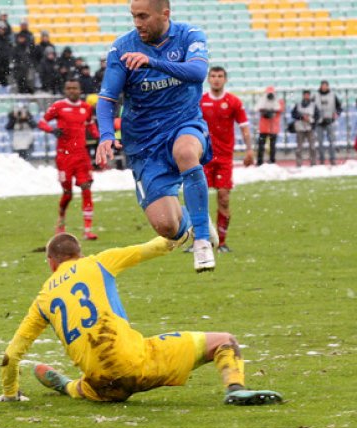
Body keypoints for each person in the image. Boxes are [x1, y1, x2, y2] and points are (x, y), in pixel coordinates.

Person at [0, 232, 284, 406]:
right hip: (136, 363)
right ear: (78, 253)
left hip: (100, 385)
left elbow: (11, 355)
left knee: (87, 386)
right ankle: (236, 390)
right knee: (224, 341)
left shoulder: (43, 299)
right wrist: (184, 229)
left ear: (51, 263)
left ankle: (68, 386)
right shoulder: (97, 262)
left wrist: (10, 394)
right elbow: (157, 246)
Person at [95, 0, 218, 273]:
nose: (137, 23)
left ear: (165, 14)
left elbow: (198, 73)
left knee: (186, 152)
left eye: (143, 16)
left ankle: (201, 241)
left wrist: (153, 62)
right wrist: (105, 134)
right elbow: (106, 99)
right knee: (167, 227)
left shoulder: (189, 36)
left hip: (183, 123)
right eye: (133, 17)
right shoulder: (122, 48)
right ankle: (195, 219)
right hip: (143, 143)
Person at [196, 66, 253, 253]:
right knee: (197, 199)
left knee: (224, 198)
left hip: (224, 159)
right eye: (213, 76)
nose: (216, 79)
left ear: (225, 79)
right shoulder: (200, 101)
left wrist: (249, 150)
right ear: (208, 79)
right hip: (203, 157)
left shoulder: (233, 101)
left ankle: (221, 242)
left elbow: (244, 127)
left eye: (220, 76)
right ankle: (200, 240)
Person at [38, 79, 100, 240]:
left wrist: (102, 138)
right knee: (68, 194)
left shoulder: (86, 108)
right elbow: (42, 122)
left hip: (82, 156)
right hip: (64, 157)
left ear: (80, 90)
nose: (72, 91)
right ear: (65, 90)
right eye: (69, 88)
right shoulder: (58, 107)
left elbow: (91, 126)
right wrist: (52, 130)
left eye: (75, 88)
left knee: (86, 188)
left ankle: (87, 230)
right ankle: (61, 221)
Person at [313, 80, 342, 166]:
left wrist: (337, 113)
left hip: (330, 121)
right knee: (320, 143)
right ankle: (322, 160)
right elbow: (310, 106)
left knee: (332, 142)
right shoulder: (315, 95)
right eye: (323, 85)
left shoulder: (333, 95)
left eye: (326, 85)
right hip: (319, 123)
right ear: (321, 86)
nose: (324, 87)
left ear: (328, 86)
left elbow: (339, 107)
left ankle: (333, 160)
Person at [254, 86, 284, 165]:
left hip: (273, 127)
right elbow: (257, 108)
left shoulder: (278, 101)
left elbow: (280, 109)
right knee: (261, 146)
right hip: (264, 127)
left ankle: (272, 161)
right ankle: (260, 162)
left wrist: (272, 111)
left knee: (272, 146)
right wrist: (265, 112)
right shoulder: (262, 100)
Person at [291, 90, 319, 168]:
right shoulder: (298, 105)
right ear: (303, 96)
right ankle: (299, 163)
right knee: (299, 148)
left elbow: (317, 116)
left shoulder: (313, 105)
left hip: (310, 127)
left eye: (307, 95)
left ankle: (313, 163)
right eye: (305, 95)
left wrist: (312, 123)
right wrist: (302, 117)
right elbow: (293, 114)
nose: (306, 96)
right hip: (300, 128)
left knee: (312, 147)